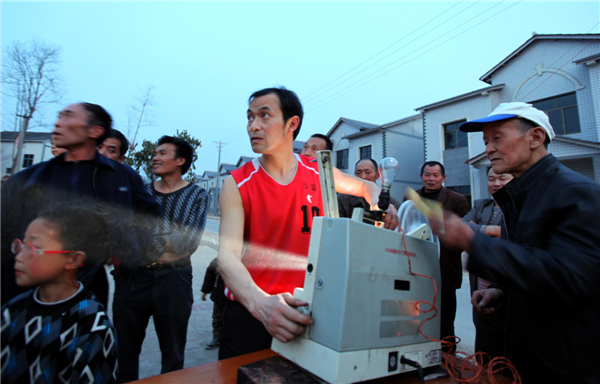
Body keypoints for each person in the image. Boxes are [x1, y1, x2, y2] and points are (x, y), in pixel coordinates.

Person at [217, 87, 397, 360]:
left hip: (311, 307)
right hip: (252, 312)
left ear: (292, 124)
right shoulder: (237, 183)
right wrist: (260, 304)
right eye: (250, 117)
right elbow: (227, 257)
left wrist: (380, 202)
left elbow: (364, 188)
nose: (253, 126)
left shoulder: (319, 171)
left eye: (264, 116)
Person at [428, 102, 600, 383]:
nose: (489, 148)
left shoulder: (576, 193)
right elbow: (533, 264)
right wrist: (502, 292)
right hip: (526, 357)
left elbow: (572, 279)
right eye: (485, 141)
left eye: (497, 138)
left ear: (535, 137)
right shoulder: (520, 196)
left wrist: (472, 240)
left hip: (566, 365)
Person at [1, 102, 162, 310]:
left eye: (68, 116)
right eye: (59, 116)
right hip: (27, 293)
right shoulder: (27, 180)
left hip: (88, 291)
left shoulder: (122, 177)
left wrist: (127, 252)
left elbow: (151, 216)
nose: (58, 122)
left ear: (95, 131)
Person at [113, 135, 208, 382]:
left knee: (173, 353)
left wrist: (145, 236)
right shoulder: (139, 192)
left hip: (174, 279)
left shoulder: (197, 195)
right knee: (124, 351)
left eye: (162, 153)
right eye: (154, 153)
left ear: (180, 160)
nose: (155, 157)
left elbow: (188, 243)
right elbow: (123, 234)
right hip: (134, 278)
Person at [1, 207, 117, 384]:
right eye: (21, 245)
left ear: (73, 259)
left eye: (33, 248)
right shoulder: (12, 311)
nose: (19, 256)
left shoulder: (91, 326)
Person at [403, 160, 469, 352]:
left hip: (445, 269)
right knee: (418, 316)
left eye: (435, 175)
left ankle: (448, 359)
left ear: (443, 178)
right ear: (421, 176)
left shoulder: (457, 200)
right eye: (427, 175)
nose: (431, 179)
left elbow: (465, 231)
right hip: (417, 268)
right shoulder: (411, 198)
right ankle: (421, 353)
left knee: (446, 320)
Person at [461, 166, 513, 360]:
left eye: (502, 178)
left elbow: (513, 236)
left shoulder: (521, 208)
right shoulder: (482, 205)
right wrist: (491, 229)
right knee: (484, 351)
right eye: (491, 178)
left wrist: (478, 230)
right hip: (479, 287)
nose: (496, 183)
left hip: (506, 290)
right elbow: (461, 226)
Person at [338, 158, 401, 223]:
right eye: (358, 173)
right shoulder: (343, 199)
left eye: (367, 172)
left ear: (377, 175)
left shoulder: (392, 204)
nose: (363, 177)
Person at [200, 257, 227, 350]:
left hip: (233, 300)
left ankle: (228, 339)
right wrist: (205, 291)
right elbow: (209, 277)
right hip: (219, 297)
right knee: (217, 319)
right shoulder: (216, 262)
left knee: (231, 320)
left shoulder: (241, 261)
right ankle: (216, 338)